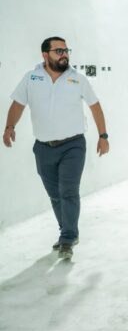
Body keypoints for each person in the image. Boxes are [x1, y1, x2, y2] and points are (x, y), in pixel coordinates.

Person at [3, 36, 109, 260]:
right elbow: (18, 104)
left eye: (66, 50)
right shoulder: (31, 78)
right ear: (45, 55)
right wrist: (9, 126)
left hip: (73, 145)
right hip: (43, 148)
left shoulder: (77, 78)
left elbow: (95, 106)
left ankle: (68, 237)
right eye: (59, 51)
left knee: (68, 191)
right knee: (54, 194)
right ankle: (67, 231)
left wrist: (103, 135)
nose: (64, 55)